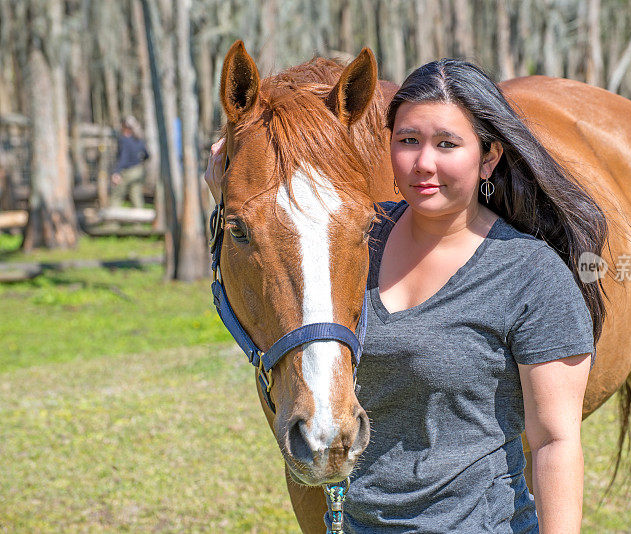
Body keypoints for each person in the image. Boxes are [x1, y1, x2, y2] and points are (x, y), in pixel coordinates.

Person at [205, 59, 608, 533]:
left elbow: (555, 443)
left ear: (489, 157)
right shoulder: (353, 245)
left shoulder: (532, 275)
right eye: (408, 141)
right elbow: (286, 238)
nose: (423, 163)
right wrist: (230, 194)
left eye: (448, 144)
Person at [110, 116, 149, 208]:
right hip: (138, 171)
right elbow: (147, 155)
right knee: (136, 197)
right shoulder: (139, 139)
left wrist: (117, 172)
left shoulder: (123, 140)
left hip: (127, 171)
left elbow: (124, 157)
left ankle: (112, 220)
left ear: (125, 127)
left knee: (117, 196)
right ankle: (139, 221)